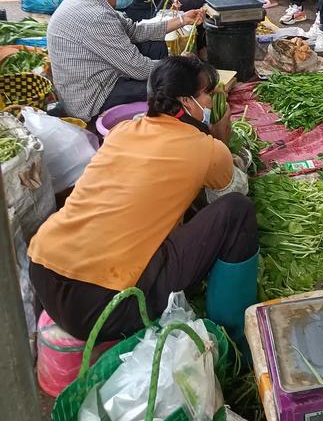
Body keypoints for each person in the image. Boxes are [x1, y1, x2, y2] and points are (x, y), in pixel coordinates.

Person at [28, 55, 258, 343]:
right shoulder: (208, 149)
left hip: (43, 272)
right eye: (209, 95)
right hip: (103, 306)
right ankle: (233, 333)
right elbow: (230, 194)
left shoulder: (123, 130)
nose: (213, 102)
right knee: (237, 212)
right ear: (187, 102)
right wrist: (222, 137)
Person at [47, 0, 204, 122]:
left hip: (96, 79)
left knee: (159, 50)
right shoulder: (96, 15)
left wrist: (182, 19)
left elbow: (134, 31)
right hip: (90, 98)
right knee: (169, 86)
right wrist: (181, 65)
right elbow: (139, 68)